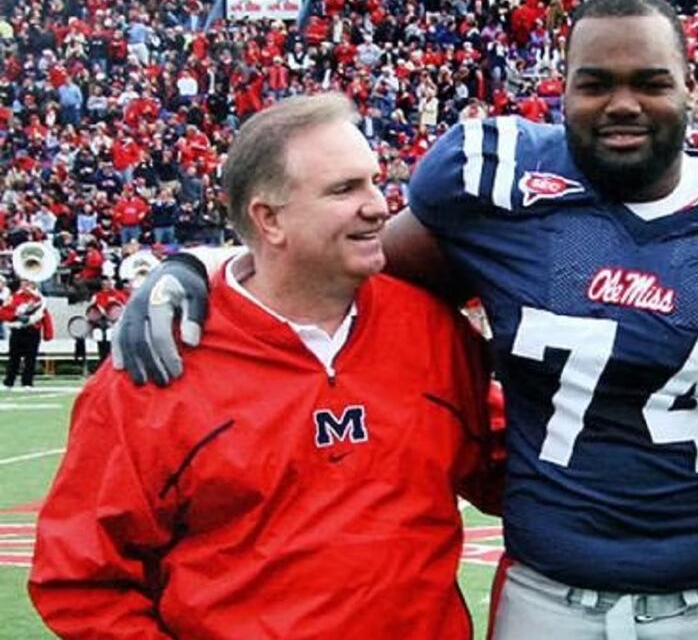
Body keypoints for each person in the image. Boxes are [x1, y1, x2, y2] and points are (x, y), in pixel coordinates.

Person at [112, 0, 698, 639]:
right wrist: (203, 265)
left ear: (694, 89)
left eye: (649, 81)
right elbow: (347, 275)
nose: (622, 103)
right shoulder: (494, 181)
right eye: (594, 83)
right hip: (547, 594)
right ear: (559, 88)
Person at [29, 94, 502, 638]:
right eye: (345, 189)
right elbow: (80, 579)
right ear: (268, 219)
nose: (379, 206)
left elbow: (513, 469)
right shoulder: (158, 365)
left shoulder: (431, 331)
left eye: (374, 181)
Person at [1, 278, 54, 389]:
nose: (26, 285)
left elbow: (45, 316)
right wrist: (15, 316)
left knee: (31, 358)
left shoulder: (39, 299)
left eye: (29, 282)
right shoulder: (13, 297)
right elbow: (3, 312)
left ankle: (27, 382)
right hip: (17, 330)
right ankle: (9, 381)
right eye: (24, 282)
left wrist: (48, 333)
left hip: (33, 330)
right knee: (14, 357)